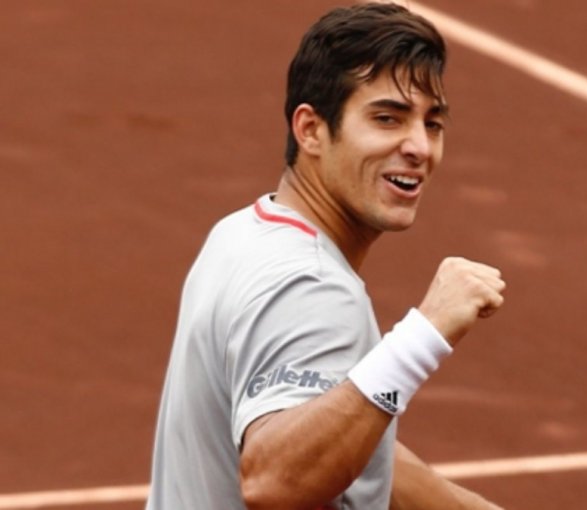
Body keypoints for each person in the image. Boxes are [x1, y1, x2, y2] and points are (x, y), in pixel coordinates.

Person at [145, 3, 507, 509]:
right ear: (310, 129)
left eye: (433, 123)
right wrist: (423, 335)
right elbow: (276, 480)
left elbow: (351, 441)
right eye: (387, 118)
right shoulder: (313, 287)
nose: (420, 147)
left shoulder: (241, 234)